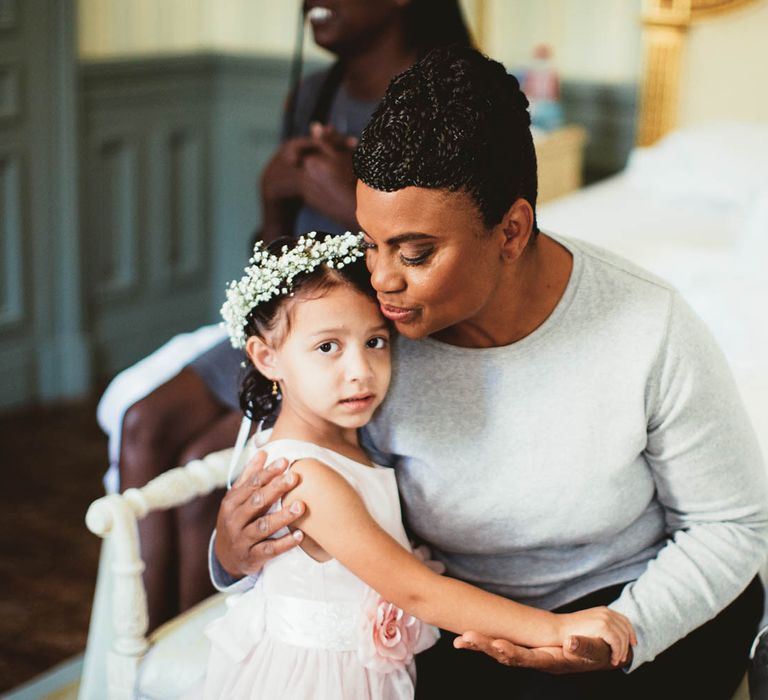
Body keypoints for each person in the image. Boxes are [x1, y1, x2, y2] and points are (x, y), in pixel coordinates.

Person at [211, 46, 768, 699]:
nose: (383, 279)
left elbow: (732, 526)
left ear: (511, 231)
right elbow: (294, 464)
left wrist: (625, 629)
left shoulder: (649, 325)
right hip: (457, 622)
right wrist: (230, 554)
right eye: (370, 242)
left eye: (416, 253)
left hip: (633, 607)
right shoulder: (364, 331)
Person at [102, 0, 473, 633]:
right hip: (290, 322)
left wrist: (348, 199)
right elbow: (273, 262)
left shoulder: (445, 100)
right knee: (140, 425)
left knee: (207, 492)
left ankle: (205, 646)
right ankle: (143, 649)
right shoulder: (313, 94)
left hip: (360, 331)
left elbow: (438, 264)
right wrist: (274, 199)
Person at [187, 232, 634, 700]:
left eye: (376, 341)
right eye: (327, 348)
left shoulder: (346, 444)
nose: (360, 369)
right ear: (266, 357)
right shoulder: (305, 477)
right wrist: (553, 628)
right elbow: (417, 591)